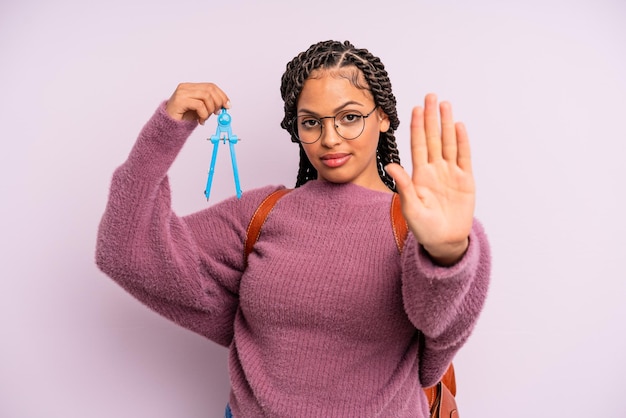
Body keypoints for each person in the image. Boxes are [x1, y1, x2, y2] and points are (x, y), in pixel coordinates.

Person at [96, 40, 491, 418]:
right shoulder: (263, 213)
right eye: (311, 122)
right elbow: (127, 253)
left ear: (383, 116)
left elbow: (438, 337)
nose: (329, 138)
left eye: (350, 117)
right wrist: (164, 134)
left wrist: (446, 254)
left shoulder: (424, 222)